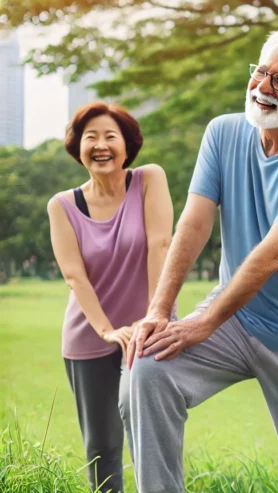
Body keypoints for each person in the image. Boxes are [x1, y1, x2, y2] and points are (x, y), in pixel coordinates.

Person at [121, 30, 278, 493]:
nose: (262, 87)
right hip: (234, 316)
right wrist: (160, 311)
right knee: (147, 370)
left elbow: (273, 255)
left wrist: (202, 323)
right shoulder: (223, 131)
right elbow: (194, 223)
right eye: (261, 72)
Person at [48, 102, 173, 493]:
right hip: (90, 338)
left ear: (127, 145)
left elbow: (160, 244)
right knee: (102, 448)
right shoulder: (62, 206)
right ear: (77, 147)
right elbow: (74, 275)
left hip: (149, 334)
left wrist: (154, 315)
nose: (100, 145)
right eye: (91, 137)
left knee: (151, 441)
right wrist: (106, 331)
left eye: (110, 136)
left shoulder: (149, 179)